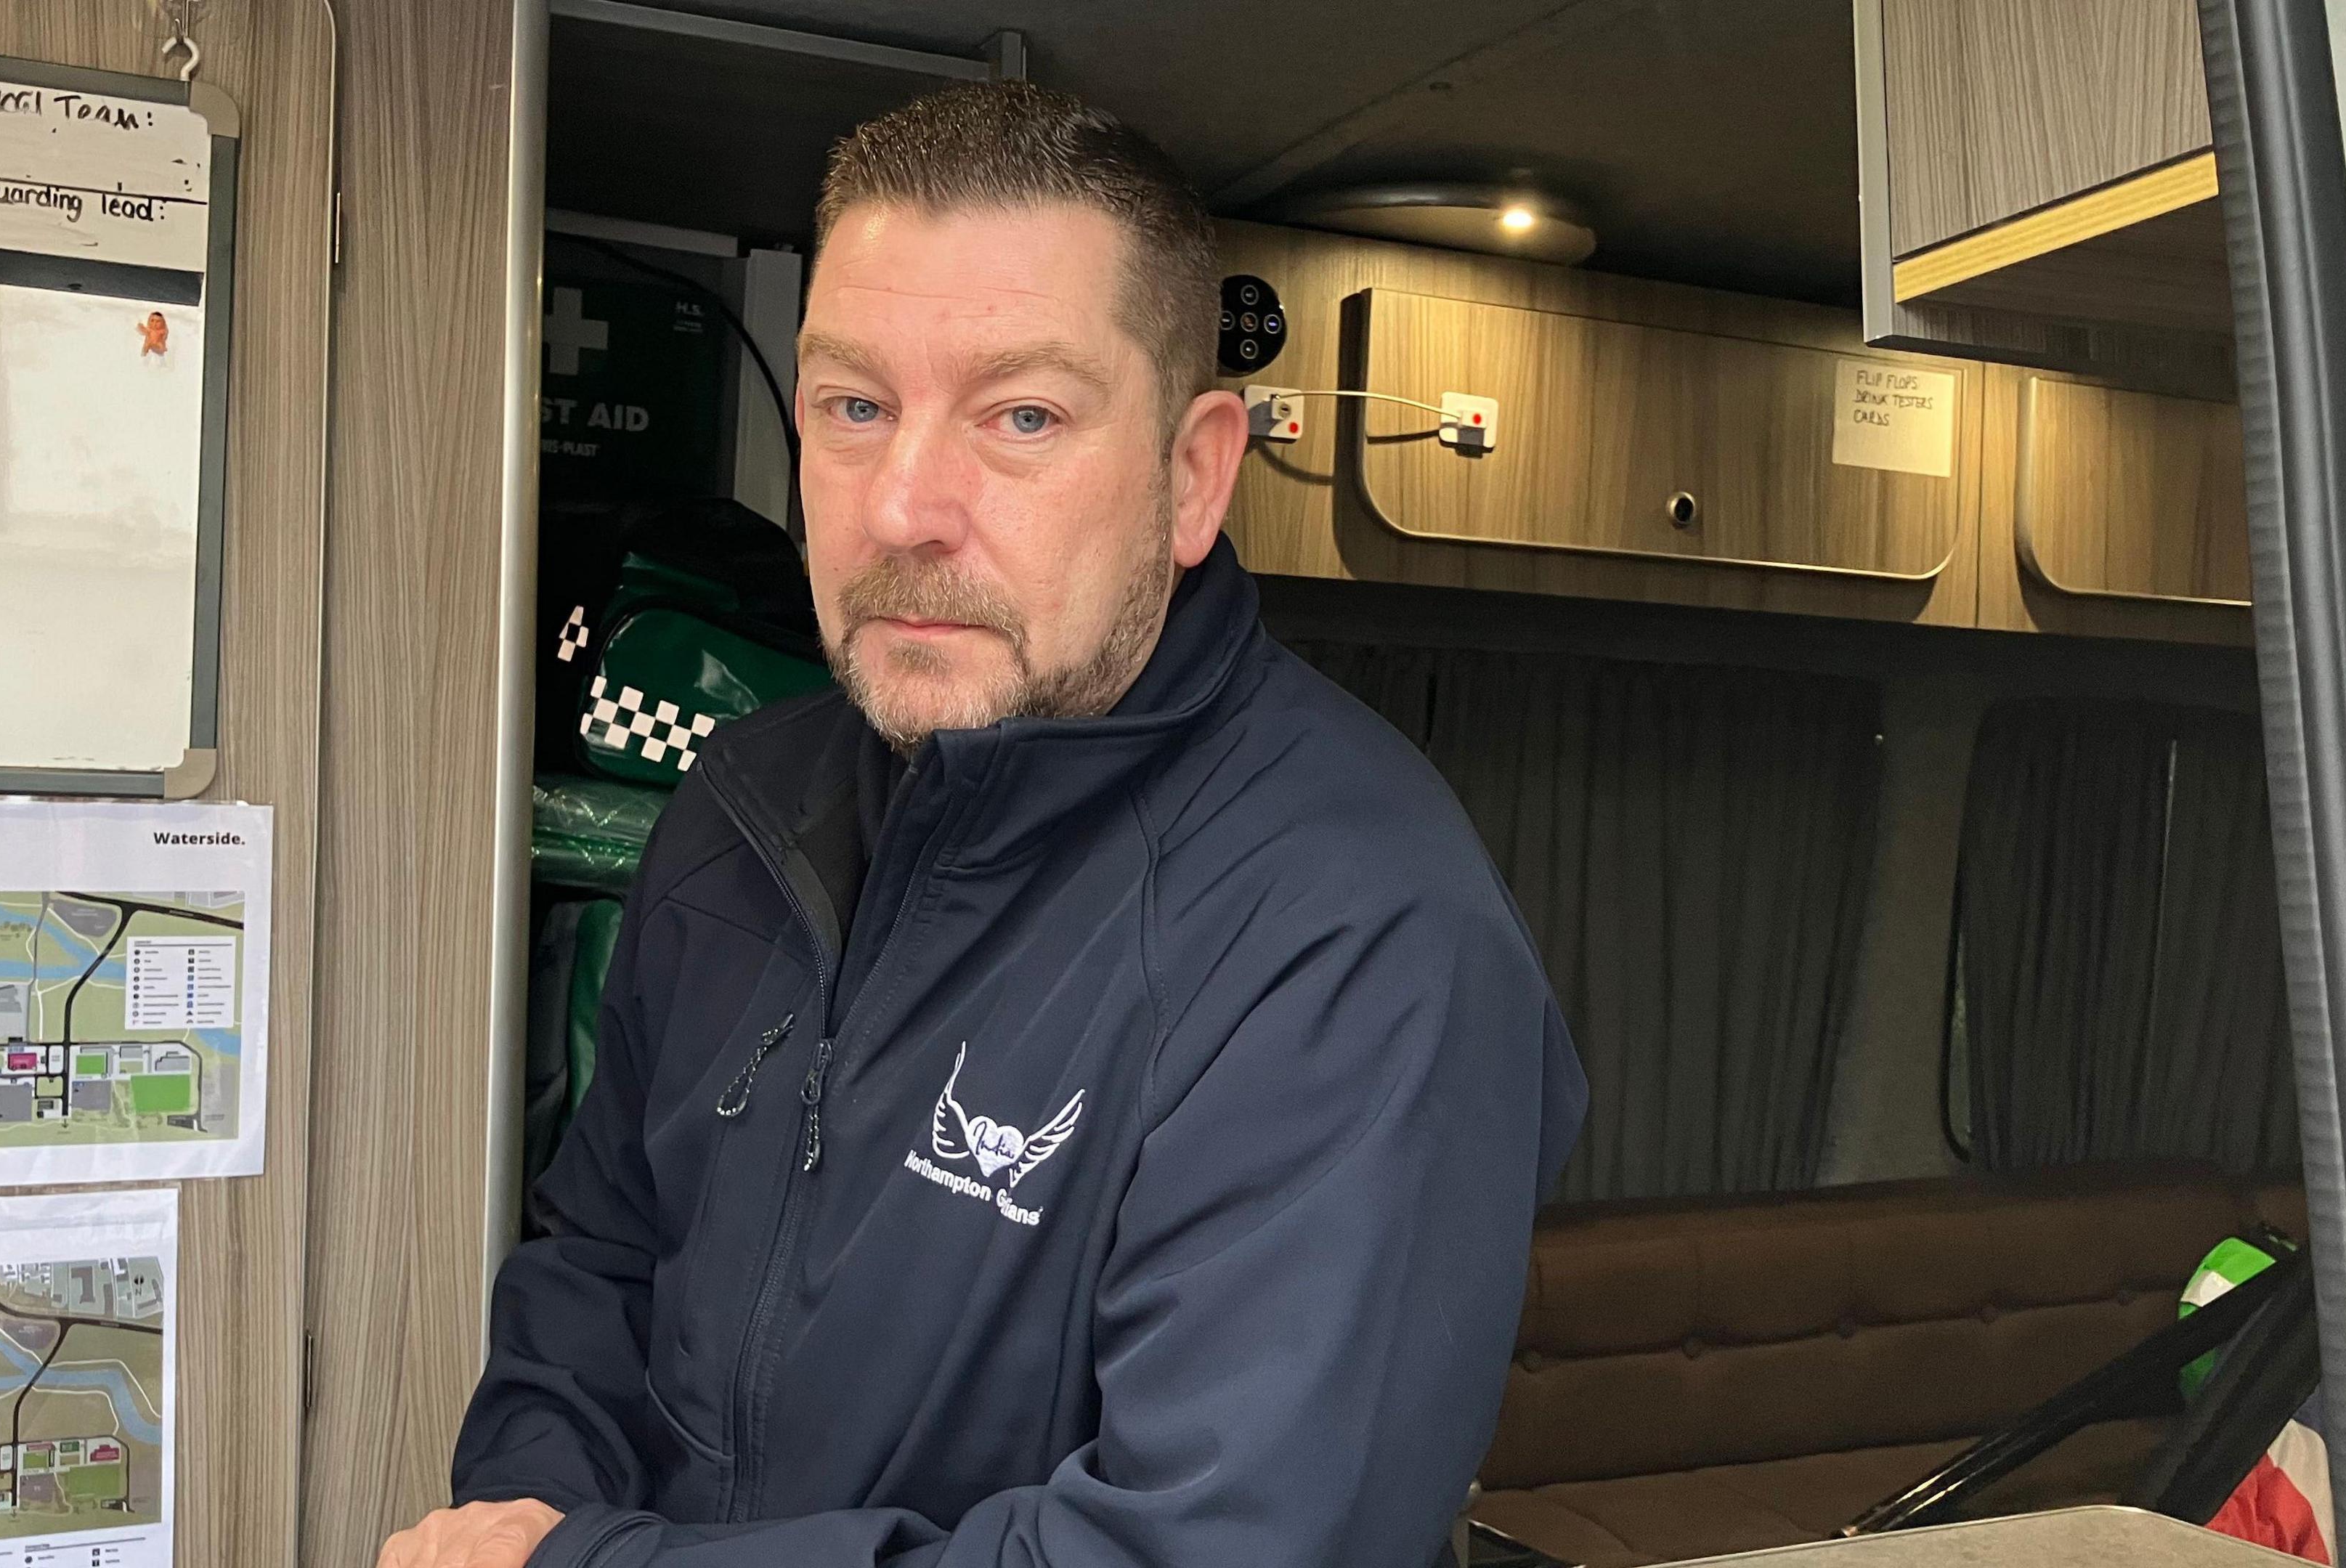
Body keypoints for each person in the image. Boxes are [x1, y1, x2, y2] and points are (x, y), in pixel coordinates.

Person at [378, 79, 1586, 1568]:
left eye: (1022, 415)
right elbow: (598, 1276)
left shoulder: (1356, 932)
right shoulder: (743, 807)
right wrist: (537, 1513)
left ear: (1192, 474)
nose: (903, 506)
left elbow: (1208, 1552)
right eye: (854, 405)